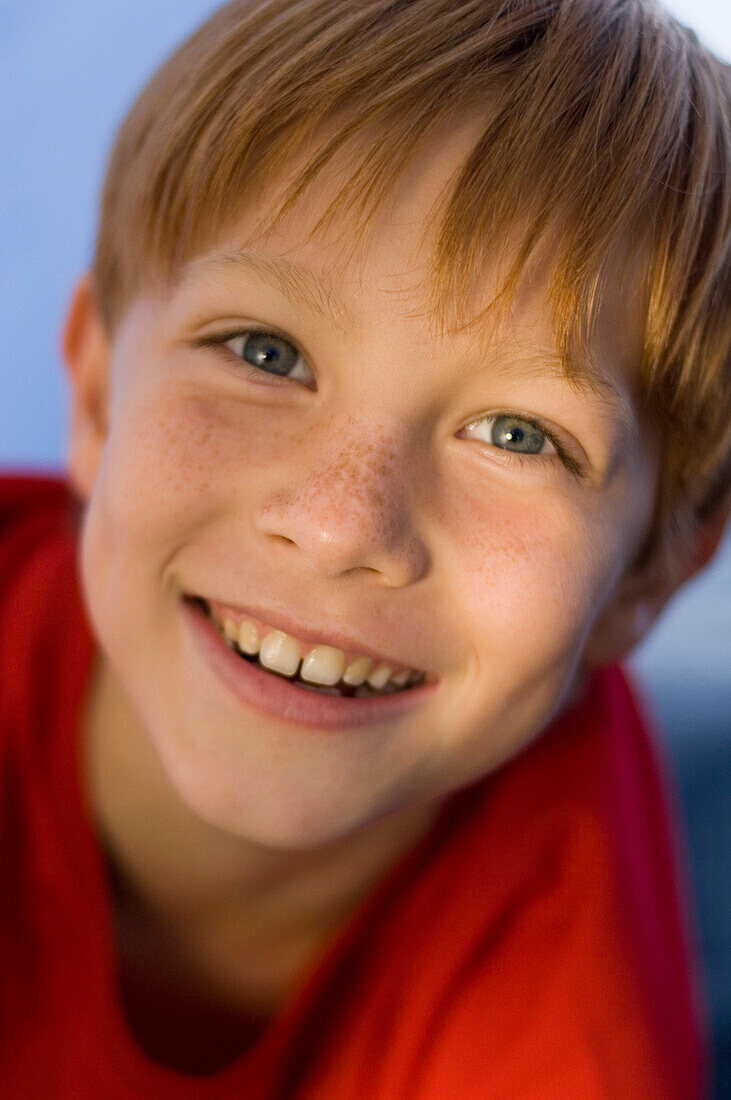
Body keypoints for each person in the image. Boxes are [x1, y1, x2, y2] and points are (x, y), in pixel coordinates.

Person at [1, 0, 729, 1094]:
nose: (342, 524)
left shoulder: (570, 1013)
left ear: (649, 576)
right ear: (99, 396)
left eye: (516, 434)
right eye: (264, 350)